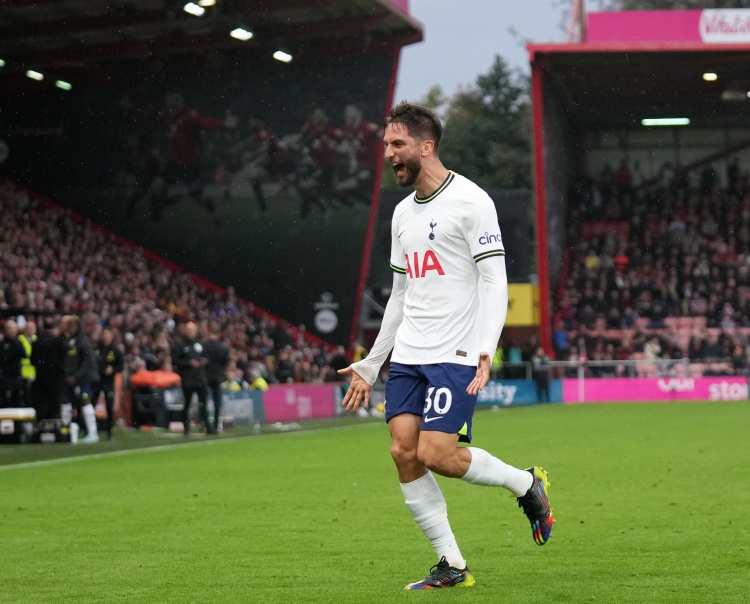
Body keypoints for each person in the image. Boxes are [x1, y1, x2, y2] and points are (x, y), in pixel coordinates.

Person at [337, 102, 554, 591]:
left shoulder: (471, 201)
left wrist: (486, 347)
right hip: (409, 355)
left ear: (426, 146)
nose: (389, 154)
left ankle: (526, 484)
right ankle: (451, 564)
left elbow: (494, 280)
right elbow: (399, 295)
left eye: (398, 144)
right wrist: (372, 363)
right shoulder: (401, 214)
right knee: (403, 452)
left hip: (455, 353)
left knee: (437, 454)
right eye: (386, 145)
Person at [60, 315, 101, 443]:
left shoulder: (83, 341)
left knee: (85, 401)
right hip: (72, 378)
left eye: (73, 326)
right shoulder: (71, 341)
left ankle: (93, 433)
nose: (71, 328)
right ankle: (65, 431)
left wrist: (76, 376)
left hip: (83, 379)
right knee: (65, 401)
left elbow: (88, 362)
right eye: (70, 326)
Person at [171, 321, 209, 435]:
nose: (191, 332)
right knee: (187, 404)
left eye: (193, 330)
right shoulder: (180, 345)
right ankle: (186, 428)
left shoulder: (199, 344)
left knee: (203, 404)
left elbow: (206, 357)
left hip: (200, 378)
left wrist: (203, 361)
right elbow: (175, 361)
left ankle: (206, 425)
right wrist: (188, 363)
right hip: (188, 379)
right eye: (189, 330)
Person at [93, 328, 123, 441]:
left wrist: (113, 370)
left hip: (108, 382)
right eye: (104, 334)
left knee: (109, 406)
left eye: (108, 334)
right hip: (96, 381)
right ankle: (89, 429)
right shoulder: (96, 349)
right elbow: (93, 363)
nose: (106, 336)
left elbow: (120, 365)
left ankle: (109, 432)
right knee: (91, 404)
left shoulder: (115, 350)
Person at [202, 323, 229, 434]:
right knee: (217, 402)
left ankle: (206, 425)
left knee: (204, 401)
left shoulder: (204, 345)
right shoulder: (223, 347)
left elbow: (202, 360)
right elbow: (225, 363)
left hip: (205, 376)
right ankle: (216, 425)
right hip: (218, 377)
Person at [0, 320, 25, 407]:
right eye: (9, 328)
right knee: (6, 399)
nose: (11, 330)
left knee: (18, 398)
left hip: (17, 375)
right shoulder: (2, 343)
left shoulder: (19, 342)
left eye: (13, 328)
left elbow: (24, 354)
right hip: (6, 375)